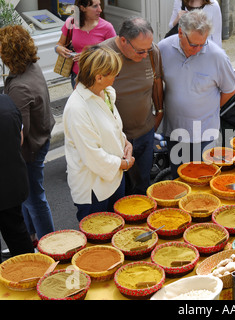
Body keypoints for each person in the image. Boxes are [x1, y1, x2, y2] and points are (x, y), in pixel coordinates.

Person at [158, 10, 235, 179]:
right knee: (178, 178)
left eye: (203, 43)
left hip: (204, 133)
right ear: (180, 33)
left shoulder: (217, 56)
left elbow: (229, 90)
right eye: (194, 45)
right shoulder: (163, 48)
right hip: (174, 130)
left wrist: (209, 109)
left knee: (202, 180)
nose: (198, 49)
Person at [63, 45, 135, 222]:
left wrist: (125, 143)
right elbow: (92, 155)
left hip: (114, 176)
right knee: (97, 242)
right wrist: (124, 164)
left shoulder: (105, 93)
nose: (117, 76)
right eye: (114, 73)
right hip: (93, 189)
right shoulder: (77, 108)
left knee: (117, 231)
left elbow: (112, 126)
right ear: (99, 77)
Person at [0, 25, 55, 248]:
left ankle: (51, 247)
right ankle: (31, 238)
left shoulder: (19, 88)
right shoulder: (32, 67)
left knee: (34, 200)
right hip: (41, 139)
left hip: (30, 150)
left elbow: (18, 135)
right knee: (27, 197)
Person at [100, 17, 164, 195]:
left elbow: (157, 81)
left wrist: (159, 112)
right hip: (113, 140)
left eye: (147, 49)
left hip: (145, 132)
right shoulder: (102, 55)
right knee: (116, 191)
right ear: (123, 41)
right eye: (139, 51)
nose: (145, 55)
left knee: (142, 186)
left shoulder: (152, 52)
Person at [0, 94, 35, 263]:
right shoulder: (7, 103)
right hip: (10, 184)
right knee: (18, 235)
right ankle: (31, 277)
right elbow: (19, 139)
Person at [55, 0, 116, 88]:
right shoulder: (72, 23)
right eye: (95, 6)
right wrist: (58, 49)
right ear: (82, 8)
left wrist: (89, 56)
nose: (100, 10)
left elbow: (115, 55)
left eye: (99, 5)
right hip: (77, 76)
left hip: (99, 77)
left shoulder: (107, 27)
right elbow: (60, 44)